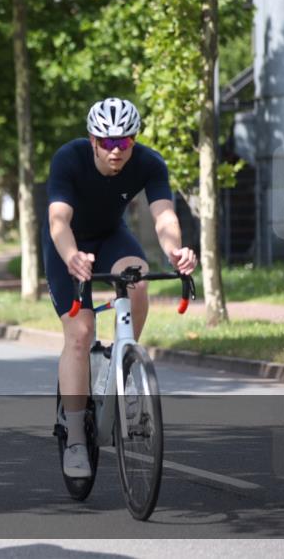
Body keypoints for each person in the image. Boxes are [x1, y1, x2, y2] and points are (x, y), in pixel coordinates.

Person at [44, 97, 197, 478]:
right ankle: (77, 436)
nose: (116, 150)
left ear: (134, 141)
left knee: (138, 281)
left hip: (112, 237)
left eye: (124, 142)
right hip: (69, 246)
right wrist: (71, 257)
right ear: (93, 140)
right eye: (107, 142)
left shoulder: (148, 162)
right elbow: (59, 221)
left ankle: (122, 365)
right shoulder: (69, 158)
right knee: (80, 333)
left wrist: (174, 250)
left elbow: (163, 216)